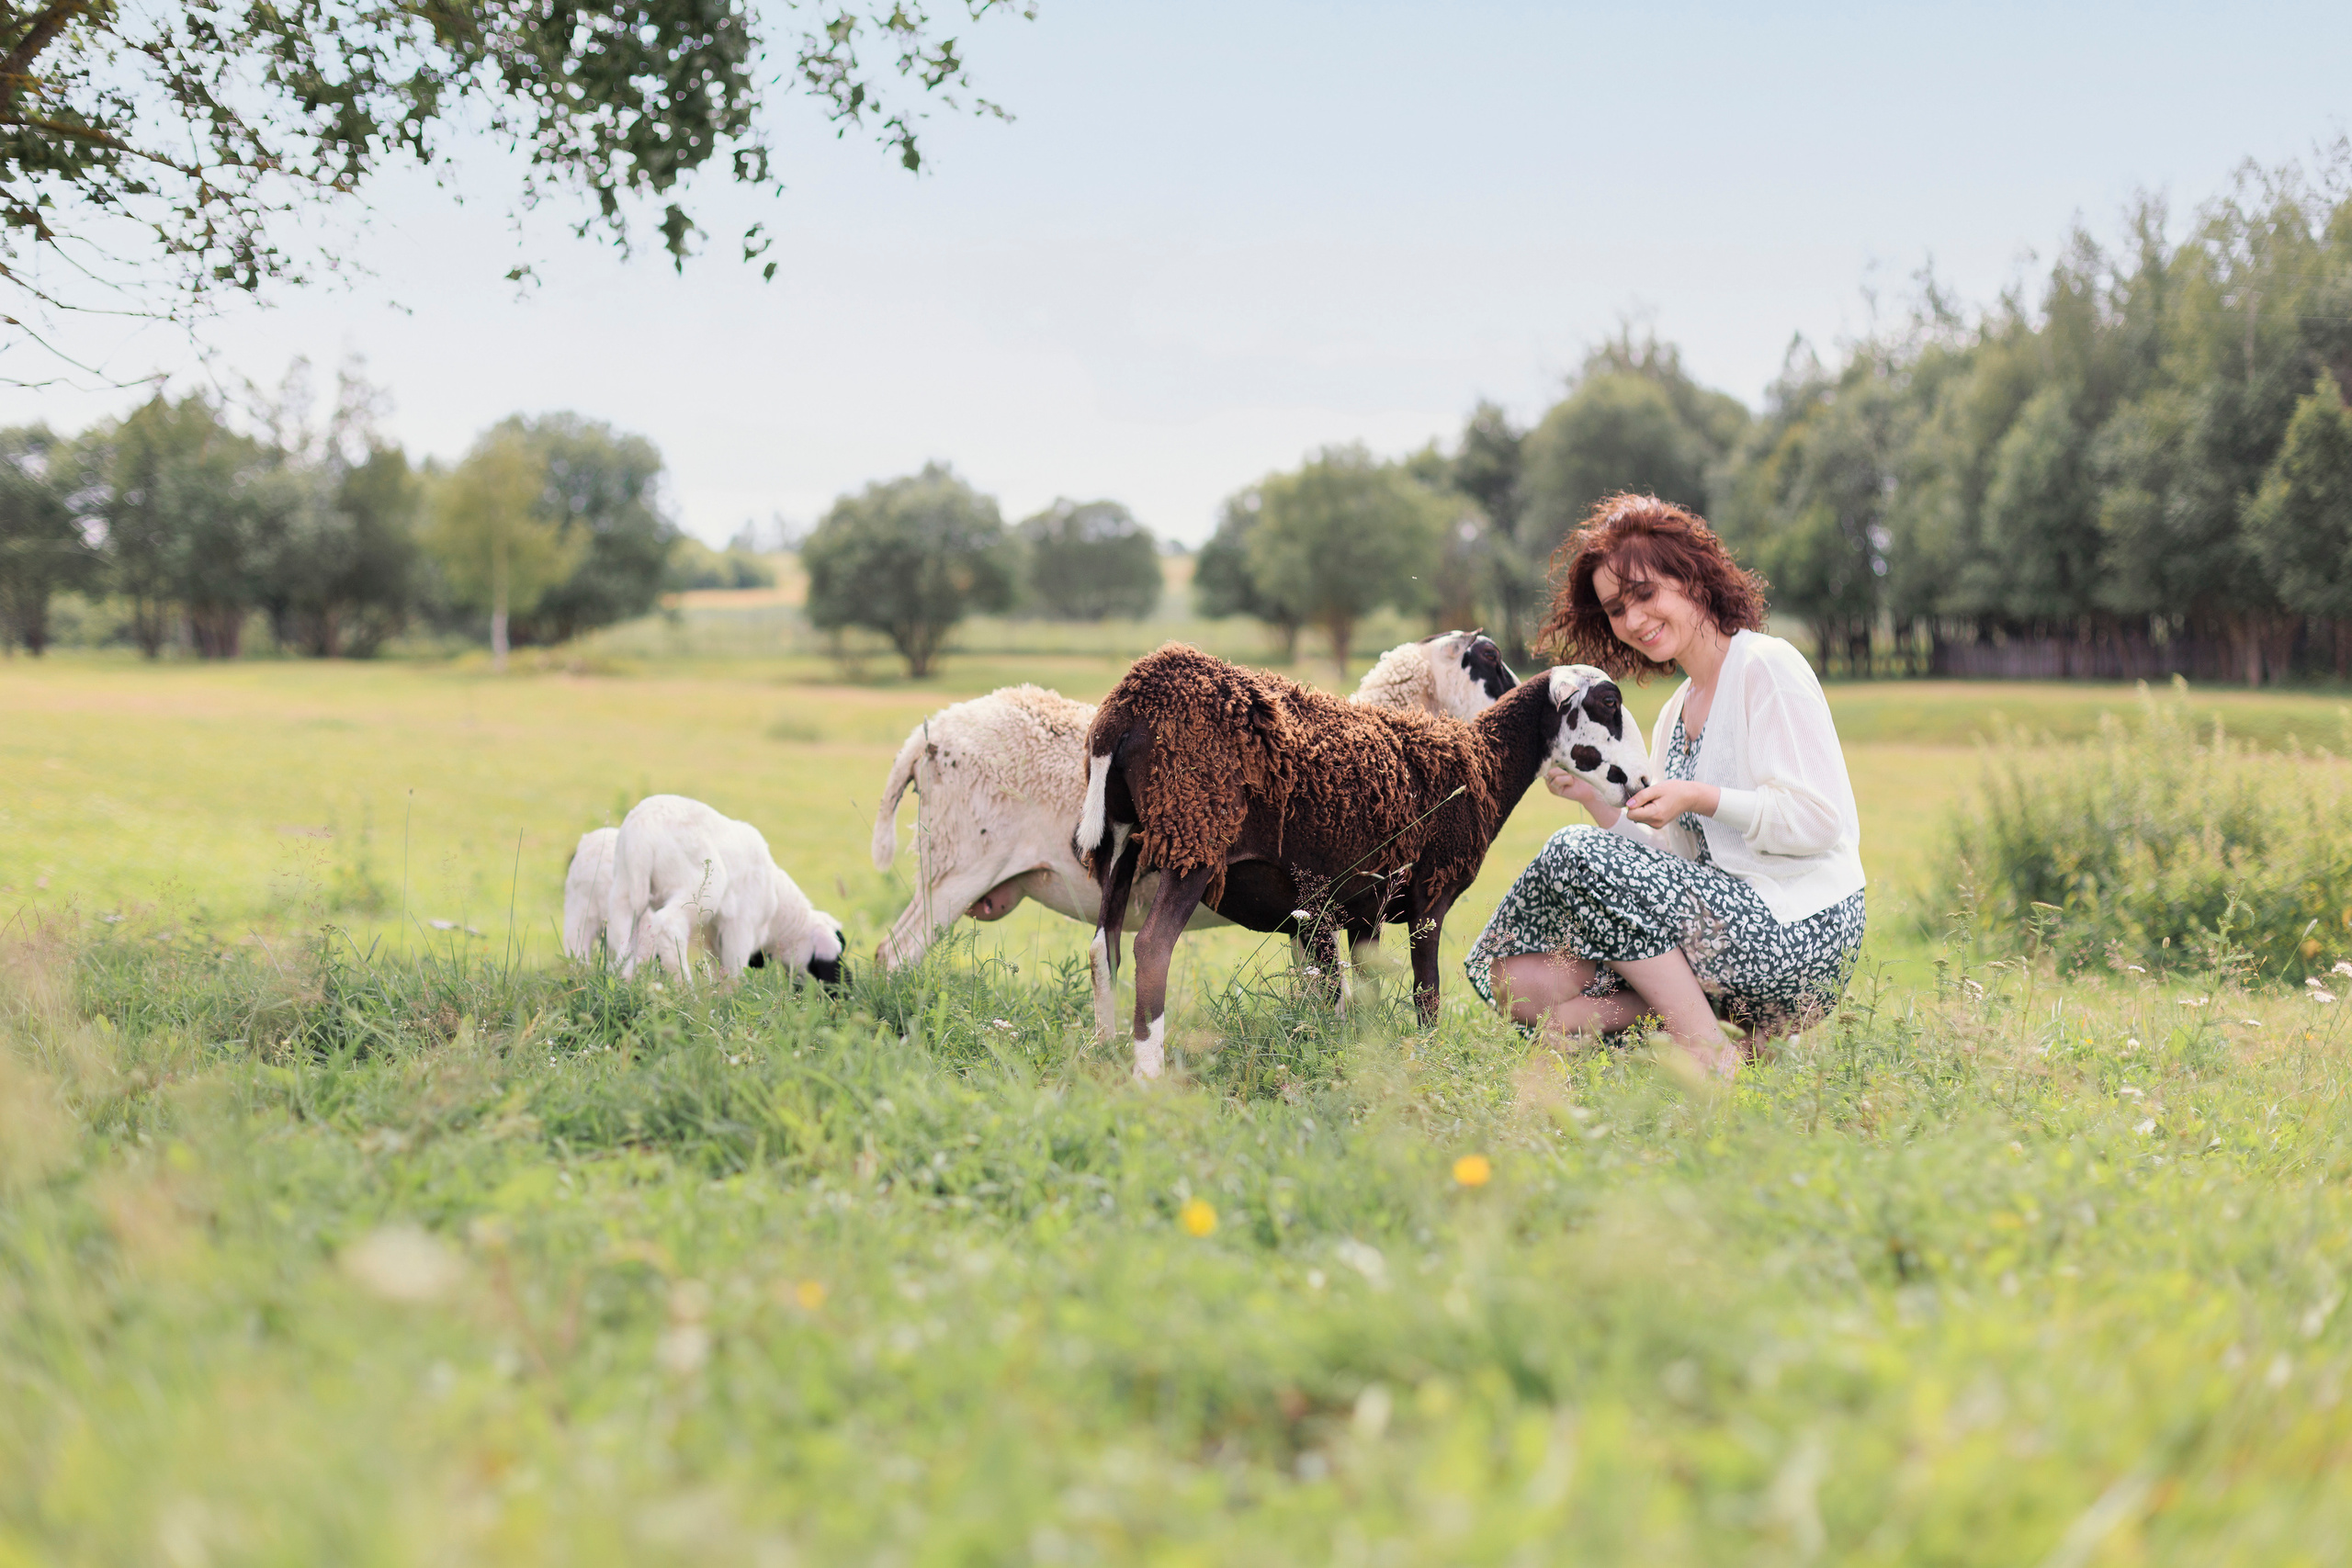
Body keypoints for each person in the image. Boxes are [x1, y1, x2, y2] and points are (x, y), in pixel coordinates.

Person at [1464, 493, 1866, 1076]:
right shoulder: (1676, 712)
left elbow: (1818, 821)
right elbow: (1667, 866)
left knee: (1572, 855)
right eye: (1616, 609)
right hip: (1719, 933)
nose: (1632, 620)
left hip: (1801, 930)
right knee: (1517, 982)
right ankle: (1746, 1042)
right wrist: (1594, 800)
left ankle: (1712, 1058)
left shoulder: (1764, 667)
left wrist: (1700, 797)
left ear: (1693, 576)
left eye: (1645, 594)